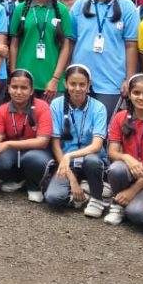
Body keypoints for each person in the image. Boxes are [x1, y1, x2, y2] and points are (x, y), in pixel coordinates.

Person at [69, 0, 138, 119]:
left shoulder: (127, 7)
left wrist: (129, 78)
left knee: (103, 127)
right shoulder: (80, 4)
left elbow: (131, 46)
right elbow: (70, 42)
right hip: (80, 79)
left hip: (112, 82)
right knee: (79, 125)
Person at [0, 70, 53, 202]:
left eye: (24, 88)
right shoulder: (2, 110)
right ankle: (18, 180)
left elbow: (42, 142)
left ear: (31, 90)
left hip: (36, 151)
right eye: (14, 87)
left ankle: (34, 185)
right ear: (8, 88)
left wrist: (8, 144)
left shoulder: (42, 107)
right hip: (13, 152)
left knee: (33, 158)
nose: (18, 92)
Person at [45, 64, 109, 216]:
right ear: (65, 83)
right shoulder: (56, 105)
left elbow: (96, 146)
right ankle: (84, 189)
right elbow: (56, 146)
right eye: (73, 84)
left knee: (92, 161)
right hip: (67, 164)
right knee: (53, 198)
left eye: (82, 84)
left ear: (89, 85)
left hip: (91, 161)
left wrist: (69, 155)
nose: (77, 89)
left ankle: (97, 198)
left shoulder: (99, 107)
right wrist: (72, 181)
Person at [103, 74, 143, 226]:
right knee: (116, 168)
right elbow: (112, 152)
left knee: (138, 215)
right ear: (129, 94)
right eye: (136, 93)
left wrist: (133, 191)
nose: (141, 97)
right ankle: (117, 205)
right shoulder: (120, 117)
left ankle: (141, 201)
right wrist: (127, 158)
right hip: (129, 171)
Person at [8, 0, 73, 99]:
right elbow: (14, 45)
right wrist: (14, 74)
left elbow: (65, 47)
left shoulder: (62, 10)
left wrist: (55, 79)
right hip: (23, 79)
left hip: (51, 80)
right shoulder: (20, 9)